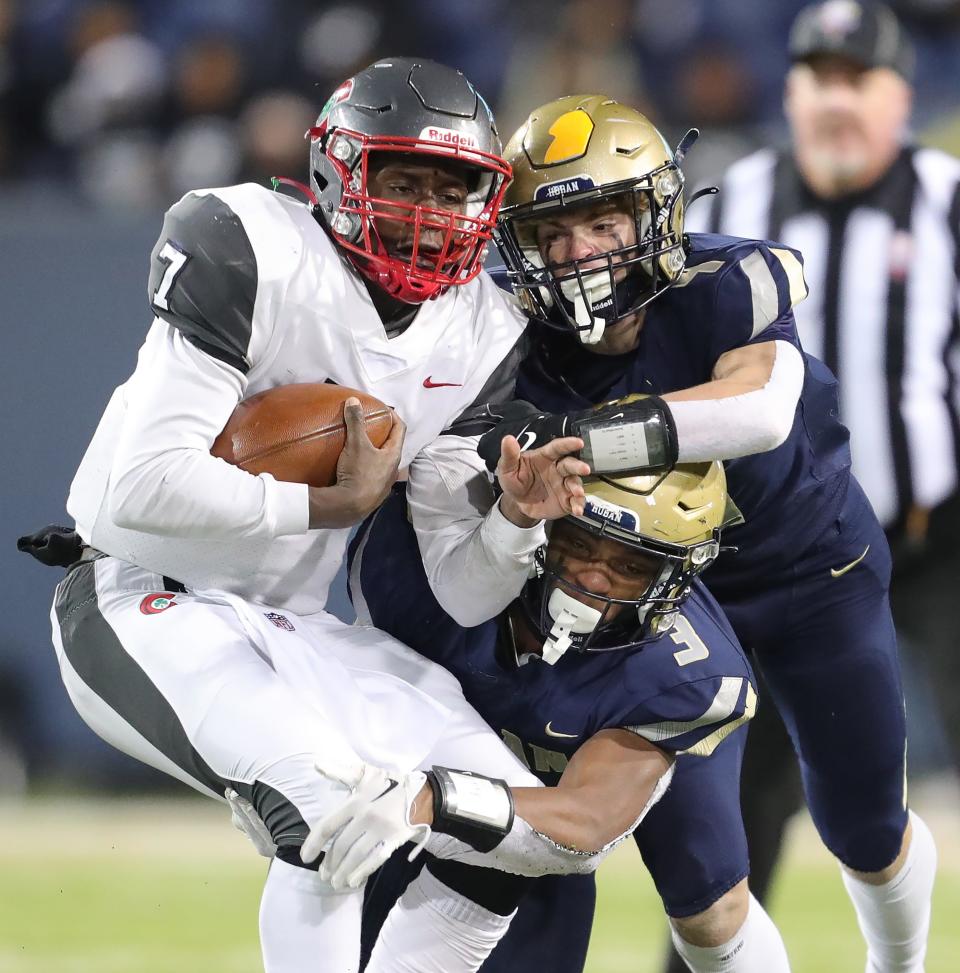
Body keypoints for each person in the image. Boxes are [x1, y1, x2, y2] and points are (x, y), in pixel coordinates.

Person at [25, 58, 662, 973]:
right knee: (329, 815)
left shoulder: (484, 326)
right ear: (336, 172)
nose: (427, 210)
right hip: (139, 596)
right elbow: (141, 486)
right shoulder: (250, 243)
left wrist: (514, 524)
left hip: (294, 624)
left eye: (455, 189)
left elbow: (466, 592)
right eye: (403, 181)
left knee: (522, 827)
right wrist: (329, 500)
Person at [464, 92, 935, 973]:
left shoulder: (729, 280)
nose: (576, 255)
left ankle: (899, 965)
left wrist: (581, 439)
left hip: (809, 574)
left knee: (865, 826)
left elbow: (757, 409)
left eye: (600, 221)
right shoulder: (500, 336)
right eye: (550, 233)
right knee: (706, 895)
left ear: (656, 211)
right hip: (657, 608)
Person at [686, 0, 960, 929]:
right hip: (778, 552)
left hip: (936, 536)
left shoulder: (951, 200)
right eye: (819, 79)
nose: (838, 101)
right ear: (790, 92)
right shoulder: (736, 203)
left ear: (902, 97)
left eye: (860, 79)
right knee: (734, 807)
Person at [342, 456, 791, 973]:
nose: (593, 578)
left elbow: (586, 821)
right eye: (578, 542)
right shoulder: (416, 569)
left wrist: (429, 800)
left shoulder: (680, 672)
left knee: (712, 909)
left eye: (630, 566)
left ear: (673, 576)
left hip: (608, 749)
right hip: (464, 748)